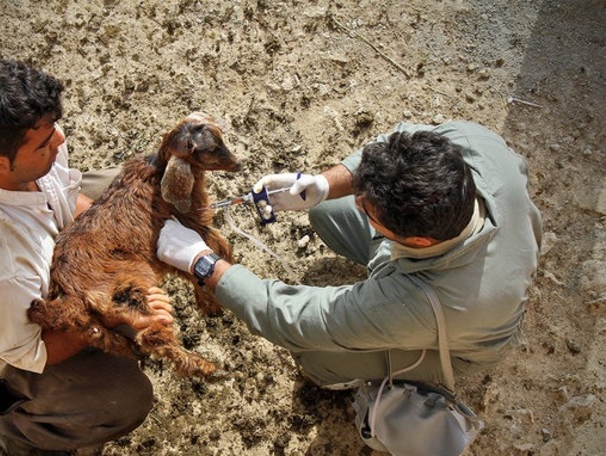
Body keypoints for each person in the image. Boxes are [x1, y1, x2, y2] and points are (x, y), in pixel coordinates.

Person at [157, 121, 542, 393]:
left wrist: (201, 261)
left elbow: (292, 318)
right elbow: (393, 143)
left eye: (371, 212)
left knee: (316, 356)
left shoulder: (417, 304)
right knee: (327, 211)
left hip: (455, 338)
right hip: (471, 261)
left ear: (419, 242)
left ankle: (362, 377)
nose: (360, 206)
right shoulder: (473, 142)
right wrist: (325, 184)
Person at [0, 58, 175, 455]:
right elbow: (35, 350)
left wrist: (120, 239)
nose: (59, 141)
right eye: (43, 144)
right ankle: (21, 431)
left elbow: (62, 196)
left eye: (53, 129)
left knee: (138, 193)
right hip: (6, 352)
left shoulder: (3, 148)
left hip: (23, 282)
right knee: (123, 398)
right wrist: (111, 309)